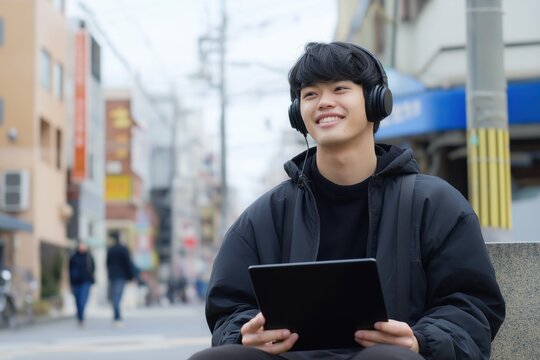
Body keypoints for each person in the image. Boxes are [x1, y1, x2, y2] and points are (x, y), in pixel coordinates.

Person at [188, 42, 505, 360]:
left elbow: (471, 305)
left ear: (376, 101)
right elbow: (229, 307)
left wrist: (420, 341)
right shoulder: (266, 216)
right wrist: (245, 333)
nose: (324, 102)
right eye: (310, 94)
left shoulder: (435, 204)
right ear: (297, 115)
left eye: (340, 89)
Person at [106, 232, 134, 326]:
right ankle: (117, 316)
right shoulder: (123, 249)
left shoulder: (110, 250)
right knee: (117, 296)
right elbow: (128, 263)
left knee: (114, 296)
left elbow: (107, 263)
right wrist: (131, 276)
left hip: (112, 276)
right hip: (121, 276)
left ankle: (116, 315)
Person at [68, 241, 95, 326]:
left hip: (86, 281)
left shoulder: (89, 256)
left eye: (83, 245)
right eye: (81, 245)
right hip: (76, 282)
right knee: (77, 300)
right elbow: (69, 270)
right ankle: (79, 316)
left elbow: (93, 268)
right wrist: (71, 282)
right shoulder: (73, 257)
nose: (82, 247)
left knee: (83, 300)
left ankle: (81, 317)